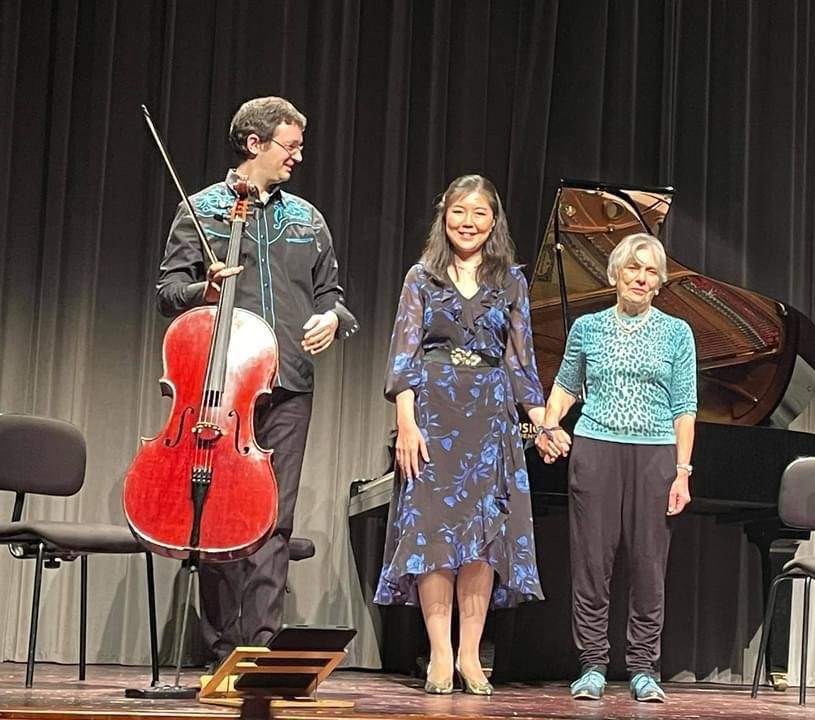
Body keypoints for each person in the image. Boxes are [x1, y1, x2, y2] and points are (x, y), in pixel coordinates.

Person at [156, 96, 357, 666]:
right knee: (219, 513)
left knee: (275, 517)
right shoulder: (201, 210)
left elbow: (333, 297)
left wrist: (331, 319)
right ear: (254, 144)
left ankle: (263, 650)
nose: (298, 156)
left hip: (290, 383)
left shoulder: (308, 219)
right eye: (290, 146)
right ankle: (222, 649)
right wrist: (204, 289)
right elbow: (168, 293)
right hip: (220, 389)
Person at [375, 174, 546, 695]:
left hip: (491, 418)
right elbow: (404, 356)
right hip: (434, 414)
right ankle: (440, 655)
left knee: (482, 541)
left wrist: (543, 421)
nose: (467, 222)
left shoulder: (511, 281)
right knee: (433, 535)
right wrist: (406, 423)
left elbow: (521, 361)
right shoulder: (421, 277)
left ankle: (471, 656)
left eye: (479, 213)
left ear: (494, 221)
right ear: (444, 216)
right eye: (458, 212)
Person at [534, 232, 697, 703]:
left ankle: (644, 667)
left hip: (656, 454)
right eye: (633, 268)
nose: (641, 278)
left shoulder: (677, 333)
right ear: (614, 275)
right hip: (596, 448)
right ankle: (592, 665)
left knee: (648, 565)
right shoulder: (588, 328)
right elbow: (565, 387)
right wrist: (548, 424)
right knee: (591, 562)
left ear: (659, 283)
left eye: (650, 272)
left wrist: (682, 471)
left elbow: (685, 407)